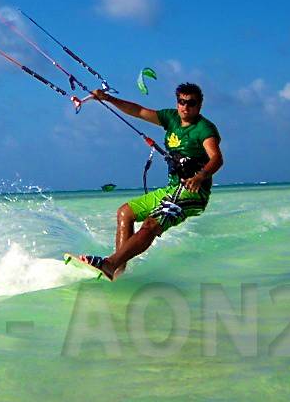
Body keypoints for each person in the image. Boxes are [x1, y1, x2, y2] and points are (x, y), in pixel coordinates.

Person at [79, 82, 223, 280]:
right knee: (125, 212)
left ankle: (110, 264)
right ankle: (117, 273)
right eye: (181, 102)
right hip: (172, 189)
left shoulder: (204, 129)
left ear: (199, 105)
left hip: (193, 192)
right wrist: (108, 98)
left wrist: (200, 176)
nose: (185, 107)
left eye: (191, 103)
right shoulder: (171, 117)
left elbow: (217, 158)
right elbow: (138, 111)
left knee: (151, 225)